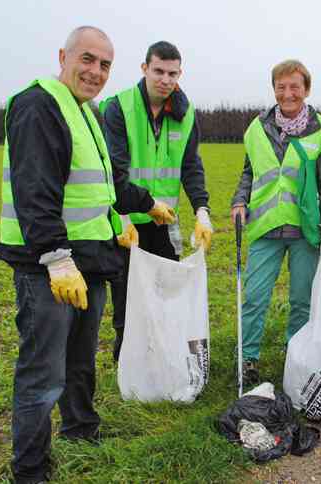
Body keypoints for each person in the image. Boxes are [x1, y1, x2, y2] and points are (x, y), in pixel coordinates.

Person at [0, 26, 161, 483]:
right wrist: (55, 258)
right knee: (43, 372)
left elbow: (103, 189)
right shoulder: (39, 105)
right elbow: (35, 191)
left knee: (80, 360)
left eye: (105, 65)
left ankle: (81, 431)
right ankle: (30, 470)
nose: (95, 71)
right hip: (49, 268)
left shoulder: (85, 112)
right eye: (87, 59)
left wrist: (144, 207)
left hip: (89, 262)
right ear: (63, 55)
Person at [100, 41, 211, 361]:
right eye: (158, 71)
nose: (165, 79)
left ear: (180, 73)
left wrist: (201, 210)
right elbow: (114, 171)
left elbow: (191, 166)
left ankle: (163, 356)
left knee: (166, 290)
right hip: (125, 219)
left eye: (172, 73)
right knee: (126, 293)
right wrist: (126, 213)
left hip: (165, 220)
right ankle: (126, 359)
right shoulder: (119, 108)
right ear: (144, 68)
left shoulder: (185, 114)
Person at [231, 59, 321, 385]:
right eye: (281, 86)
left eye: (295, 86)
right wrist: (239, 201)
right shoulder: (256, 128)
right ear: (274, 89)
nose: (288, 93)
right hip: (265, 226)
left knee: (301, 300)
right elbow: (249, 171)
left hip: (305, 228)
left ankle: (296, 356)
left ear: (306, 89)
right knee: (255, 297)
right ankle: (247, 359)